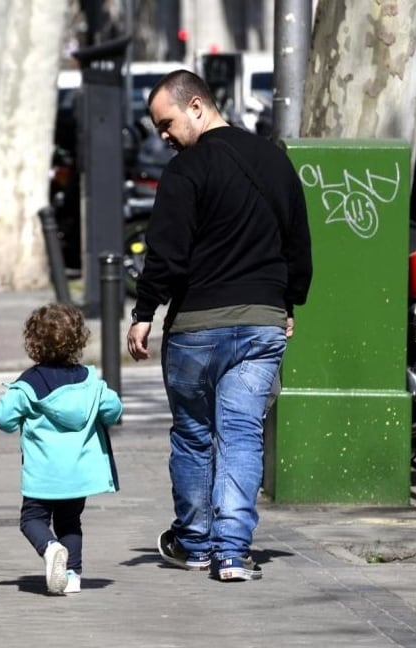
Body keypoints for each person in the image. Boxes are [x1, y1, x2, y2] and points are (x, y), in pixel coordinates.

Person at [126, 70, 312, 582]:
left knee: (193, 434)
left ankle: (193, 541)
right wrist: (288, 303)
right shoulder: (275, 161)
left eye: (166, 123)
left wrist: (144, 313)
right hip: (261, 325)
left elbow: (166, 253)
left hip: (196, 328)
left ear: (197, 107)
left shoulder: (188, 171)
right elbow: (298, 241)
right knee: (242, 436)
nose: (162, 135)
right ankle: (233, 551)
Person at [0, 303, 122, 595]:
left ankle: (50, 548)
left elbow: (3, 417)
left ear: (33, 343)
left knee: (32, 520)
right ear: (78, 340)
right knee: (70, 522)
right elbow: (113, 409)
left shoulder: (29, 384)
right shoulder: (90, 382)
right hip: (78, 474)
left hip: (43, 474)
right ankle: (73, 576)